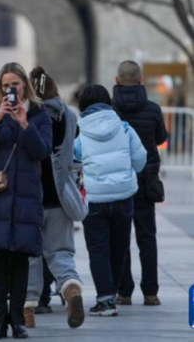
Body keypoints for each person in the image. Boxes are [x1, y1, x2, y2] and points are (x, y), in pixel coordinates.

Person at [0, 62, 52, 340]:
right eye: (6, 84)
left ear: (25, 86)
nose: (11, 89)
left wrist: (24, 123)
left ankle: (18, 320)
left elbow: (42, 151)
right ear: (0, 87)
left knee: (21, 261)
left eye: (16, 84)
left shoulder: (39, 115)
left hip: (26, 196)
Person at [74, 84, 147, 316]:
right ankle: (112, 293)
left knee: (98, 250)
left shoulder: (79, 132)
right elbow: (141, 158)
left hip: (94, 200)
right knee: (120, 248)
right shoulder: (124, 128)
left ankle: (105, 299)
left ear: (82, 105)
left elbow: (74, 162)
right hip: (124, 197)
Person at [23, 67, 85, 329]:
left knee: (30, 256)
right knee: (61, 253)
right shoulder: (68, 116)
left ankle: (28, 310)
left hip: (32, 196)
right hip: (60, 197)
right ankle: (71, 289)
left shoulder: (29, 116)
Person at [112, 61, 168, 306]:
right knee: (147, 238)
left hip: (119, 182)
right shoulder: (153, 109)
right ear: (141, 79)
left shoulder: (110, 110)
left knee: (120, 237)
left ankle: (124, 291)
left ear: (117, 81)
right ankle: (150, 292)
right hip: (145, 181)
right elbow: (161, 138)